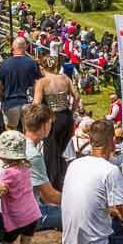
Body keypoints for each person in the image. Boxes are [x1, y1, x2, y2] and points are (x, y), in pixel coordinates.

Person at [33, 54, 78, 189]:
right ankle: (61, 179)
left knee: (50, 153)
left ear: (43, 67)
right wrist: (71, 111)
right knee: (60, 151)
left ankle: (52, 186)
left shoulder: (42, 82)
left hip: (52, 118)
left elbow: (36, 103)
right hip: (66, 116)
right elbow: (77, 96)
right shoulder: (65, 78)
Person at [22, 103, 61, 231]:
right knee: (76, 214)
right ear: (44, 126)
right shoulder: (33, 155)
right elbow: (50, 196)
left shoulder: (18, 143)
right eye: (50, 123)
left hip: (12, 211)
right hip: (27, 217)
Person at [0, 38, 43, 131]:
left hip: (10, 103)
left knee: (11, 131)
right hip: (28, 102)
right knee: (28, 131)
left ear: (13, 47)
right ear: (25, 47)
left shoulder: (4, 64)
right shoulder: (32, 63)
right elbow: (39, 83)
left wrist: (1, 98)